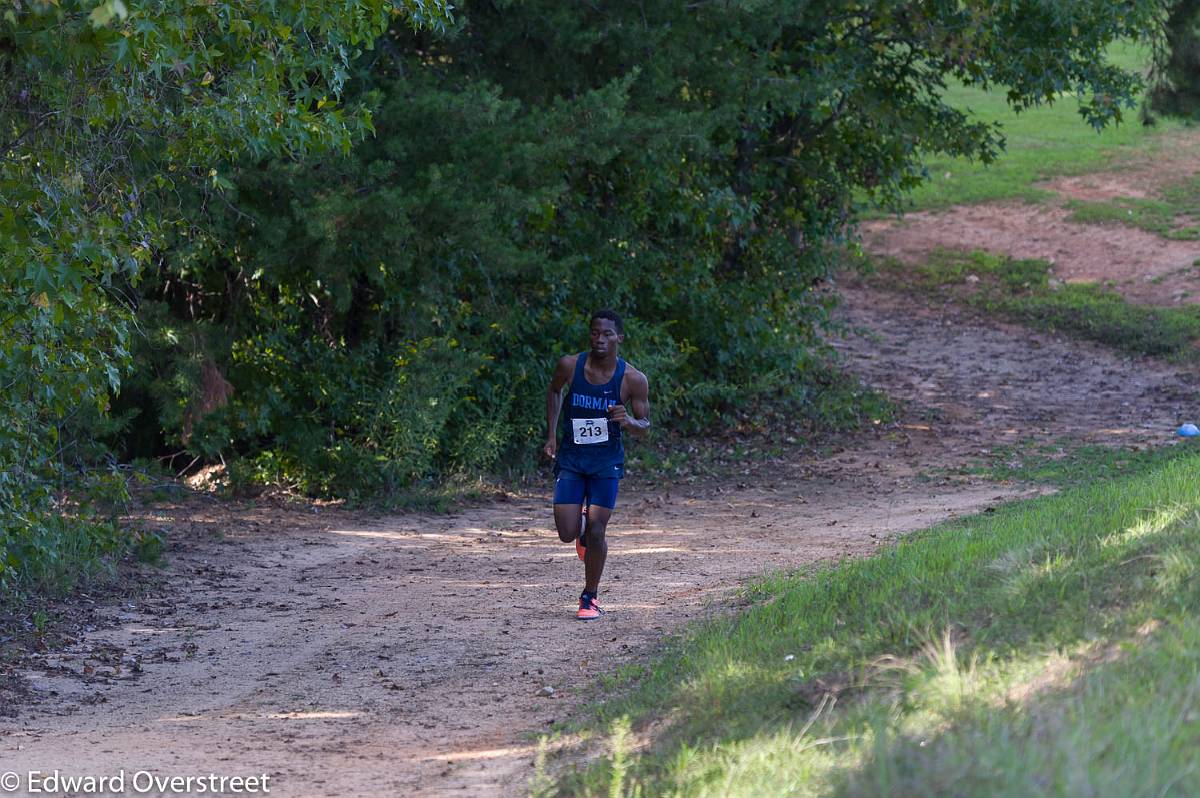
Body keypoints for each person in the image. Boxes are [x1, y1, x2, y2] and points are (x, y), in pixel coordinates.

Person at [544, 309, 650, 621]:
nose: (599, 339)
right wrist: (551, 435)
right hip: (572, 459)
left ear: (619, 337)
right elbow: (554, 390)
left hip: (606, 462)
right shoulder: (570, 365)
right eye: (594, 333)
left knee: (597, 528)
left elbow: (646, 425)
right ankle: (580, 534)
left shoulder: (633, 379)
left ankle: (589, 597)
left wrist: (628, 420)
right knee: (566, 533)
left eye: (607, 334)